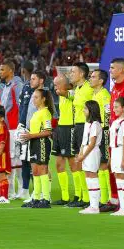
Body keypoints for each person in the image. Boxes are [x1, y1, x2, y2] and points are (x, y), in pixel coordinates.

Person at [20, 89, 55, 208]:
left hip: (42, 143)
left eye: (36, 97)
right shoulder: (36, 112)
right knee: (35, 171)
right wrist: (26, 135)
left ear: (43, 99)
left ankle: (45, 199)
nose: (33, 100)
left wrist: (31, 136)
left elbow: (48, 131)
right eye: (33, 97)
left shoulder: (45, 112)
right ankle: (36, 197)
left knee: (42, 170)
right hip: (33, 142)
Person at [18, 69, 46, 201]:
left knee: (40, 164)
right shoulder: (31, 93)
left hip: (37, 134)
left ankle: (42, 193)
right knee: (25, 160)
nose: (31, 81)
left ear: (41, 81)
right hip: (27, 131)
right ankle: (25, 190)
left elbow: (47, 114)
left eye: (34, 79)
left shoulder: (44, 95)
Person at [69, 62, 95, 207]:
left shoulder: (88, 89)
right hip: (77, 125)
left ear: (82, 74)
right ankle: (80, 195)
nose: (71, 74)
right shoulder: (78, 89)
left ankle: (87, 197)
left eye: (73, 71)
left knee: (84, 161)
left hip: (85, 126)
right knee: (76, 161)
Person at [0, 60, 24, 199]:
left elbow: (21, 106)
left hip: (14, 127)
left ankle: (20, 190)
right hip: (7, 127)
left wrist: (21, 125)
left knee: (16, 159)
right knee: (10, 158)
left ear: (10, 71)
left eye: (2, 69)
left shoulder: (16, 86)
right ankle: (12, 190)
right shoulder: (6, 86)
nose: (0, 72)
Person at [90, 69, 113, 211]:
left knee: (104, 164)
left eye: (93, 77)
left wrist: (106, 131)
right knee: (100, 164)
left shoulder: (104, 95)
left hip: (104, 130)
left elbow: (107, 113)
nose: (90, 79)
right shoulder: (95, 94)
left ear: (101, 81)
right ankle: (102, 198)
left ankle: (106, 199)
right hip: (98, 130)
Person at [52, 75, 77, 206]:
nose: (55, 87)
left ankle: (78, 196)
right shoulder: (63, 93)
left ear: (65, 84)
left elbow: (64, 92)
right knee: (59, 163)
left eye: (57, 84)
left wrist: (61, 89)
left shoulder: (73, 92)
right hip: (60, 128)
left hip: (70, 128)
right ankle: (65, 196)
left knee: (73, 163)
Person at [75, 100, 103, 214]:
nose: (83, 110)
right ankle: (92, 204)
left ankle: (95, 206)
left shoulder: (95, 124)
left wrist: (83, 155)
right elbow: (84, 141)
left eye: (85, 109)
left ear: (91, 110)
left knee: (92, 175)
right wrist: (81, 153)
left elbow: (92, 143)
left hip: (92, 152)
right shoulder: (87, 123)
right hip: (86, 151)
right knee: (88, 175)